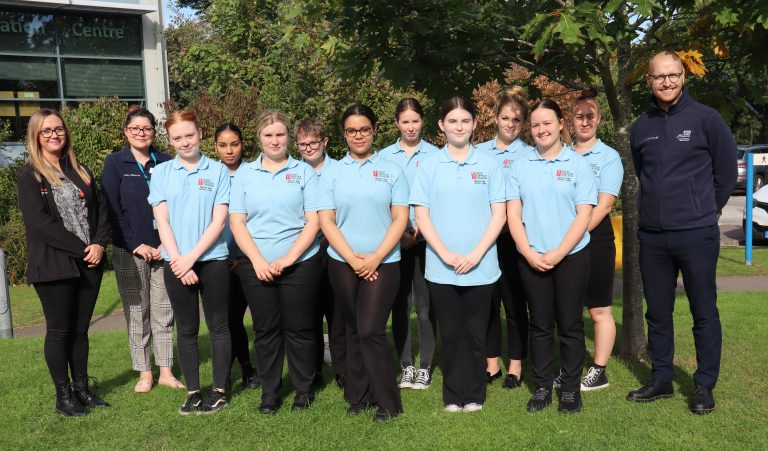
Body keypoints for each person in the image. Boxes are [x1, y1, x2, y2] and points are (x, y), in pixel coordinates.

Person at [627, 50, 737, 414]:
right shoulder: (641, 126)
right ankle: (661, 378)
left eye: (673, 75)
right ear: (649, 81)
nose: (667, 82)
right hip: (654, 237)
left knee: (703, 310)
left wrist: (704, 211)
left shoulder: (707, 120)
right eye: (659, 77)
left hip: (696, 233)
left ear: (683, 76)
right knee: (657, 312)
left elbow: (724, 175)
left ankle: (704, 385)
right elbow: (644, 171)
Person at [410, 97, 506, 413]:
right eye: (452, 121)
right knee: (450, 334)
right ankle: (453, 395)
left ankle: (475, 394)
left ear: (475, 124)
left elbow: (499, 215)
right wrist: (446, 254)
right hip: (441, 267)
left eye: (465, 120)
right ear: (441, 125)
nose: (459, 126)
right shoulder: (428, 166)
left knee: (476, 334)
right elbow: (421, 217)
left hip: (481, 266)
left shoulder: (490, 165)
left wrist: (476, 254)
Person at [317, 103, 409, 422]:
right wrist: (351, 258)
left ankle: (388, 402)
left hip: (384, 261)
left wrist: (375, 258)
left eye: (364, 129)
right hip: (342, 262)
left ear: (374, 130)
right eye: (352, 130)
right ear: (344, 134)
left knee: (371, 329)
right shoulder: (332, 172)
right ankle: (358, 395)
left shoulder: (392, 170)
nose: (359, 135)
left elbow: (400, 218)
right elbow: (327, 220)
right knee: (353, 328)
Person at [17, 108, 110, 416]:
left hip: (90, 263)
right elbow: (40, 225)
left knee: (80, 331)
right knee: (59, 331)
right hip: (55, 266)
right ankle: (64, 397)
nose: (54, 135)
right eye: (47, 131)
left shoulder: (79, 169)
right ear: (36, 136)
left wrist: (98, 243)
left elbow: (101, 211)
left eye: (58, 129)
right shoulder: (29, 175)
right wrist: (84, 248)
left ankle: (82, 390)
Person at [507, 98, 596, 414]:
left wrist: (559, 252)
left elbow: (583, 215)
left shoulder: (578, 165)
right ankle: (543, 386)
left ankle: (570, 389)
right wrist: (528, 252)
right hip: (532, 258)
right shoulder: (519, 166)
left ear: (561, 124)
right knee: (540, 325)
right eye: (535, 125)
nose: (541, 129)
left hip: (571, 257)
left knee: (570, 325)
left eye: (547, 123)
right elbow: (513, 214)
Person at [230, 110, 322, 414]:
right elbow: (237, 222)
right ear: (259, 138)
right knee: (266, 330)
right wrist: (257, 260)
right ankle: (270, 392)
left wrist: (289, 259)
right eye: (269, 135)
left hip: (300, 264)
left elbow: (313, 221)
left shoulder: (304, 172)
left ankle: (303, 390)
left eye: (280, 134)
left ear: (288, 138)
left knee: (300, 329)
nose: (275, 140)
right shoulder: (244, 174)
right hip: (256, 266)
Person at [148, 110, 232, 415]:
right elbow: (162, 221)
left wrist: (192, 258)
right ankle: (194, 391)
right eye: (177, 138)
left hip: (212, 261)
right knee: (185, 328)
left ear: (199, 134)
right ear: (169, 141)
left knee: (218, 326)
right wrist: (179, 262)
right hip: (176, 263)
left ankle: (219, 390)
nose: (184, 142)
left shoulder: (218, 171)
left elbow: (219, 220)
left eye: (189, 135)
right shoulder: (161, 173)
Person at [102, 107, 185, 394]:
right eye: (135, 128)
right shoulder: (115, 163)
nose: (141, 133)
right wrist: (136, 244)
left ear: (153, 132)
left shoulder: (164, 162)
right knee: (137, 312)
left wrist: (165, 244)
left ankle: (165, 371)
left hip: (164, 249)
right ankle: (144, 372)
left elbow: (177, 206)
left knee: (164, 312)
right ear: (126, 132)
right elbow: (112, 210)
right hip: (129, 250)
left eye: (146, 128)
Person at [556, 88, 623, 392]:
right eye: (579, 116)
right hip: (563, 241)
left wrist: (575, 236)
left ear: (600, 119)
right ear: (570, 120)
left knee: (598, 309)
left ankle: (599, 370)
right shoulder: (562, 154)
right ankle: (569, 367)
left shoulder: (608, 157)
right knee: (567, 309)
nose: (584, 122)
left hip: (594, 240)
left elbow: (605, 204)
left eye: (590, 116)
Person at [379, 98, 439, 390]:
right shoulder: (384, 157)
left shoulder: (436, 156)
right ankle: (406, 366)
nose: (411, 127)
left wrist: (423, 231)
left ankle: (425, 365)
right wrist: (400, 232)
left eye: (415, 121)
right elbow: (383, 201)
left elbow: (440, 200)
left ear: (422, 122)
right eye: (405, 121)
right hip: (396, 240)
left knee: (426, 306)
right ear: (397, 124)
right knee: (400, 305)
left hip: (427, 240)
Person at [476, 87, 533, 389]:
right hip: (485, 240)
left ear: (523, 123)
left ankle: (516, 365)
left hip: (515, 239)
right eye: (505, 118)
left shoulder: (529, 155)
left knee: (513, 304)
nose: (510, 124)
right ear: (495, 118)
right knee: (488, 303)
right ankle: (491, 363)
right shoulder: (479, 153)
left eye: (517, 119)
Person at [295, 118, 347, 389]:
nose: (308, 148)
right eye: (302, 144)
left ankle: (342, 370)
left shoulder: (340, 171)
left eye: (313, 142)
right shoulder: (293, 173)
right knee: (309, 314)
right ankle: (313, 371)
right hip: (306, 251)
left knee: (336, 314)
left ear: (325, 142)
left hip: (335, 248)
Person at [214, 122, 260, 391]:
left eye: (234, 144)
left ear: (243, 144)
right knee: (229, 319)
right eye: (223, 145)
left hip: (249, 259)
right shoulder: (212, 173)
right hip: (220, 261)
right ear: (215, 146)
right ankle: (243, 368)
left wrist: (243, 255)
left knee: (261, 319)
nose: (229, 151)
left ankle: (258, 369)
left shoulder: (254, 172)